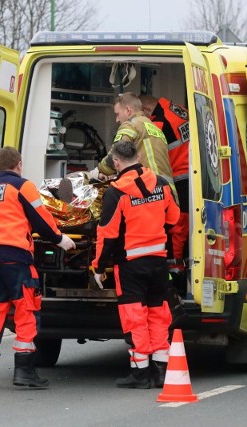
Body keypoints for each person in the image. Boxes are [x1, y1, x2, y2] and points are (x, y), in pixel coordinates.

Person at [0, 146, 76, 390]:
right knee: (27, 309)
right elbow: (41, 218)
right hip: (15, 258)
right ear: (18, 164)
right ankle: (24, 371)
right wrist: (60, 240)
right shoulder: (22, 186)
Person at [91, 140, 180, 389]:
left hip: (130, 265)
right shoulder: (161, 185)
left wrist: (98, 268)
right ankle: (161, 371)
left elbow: (106, 235)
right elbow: (173, 219)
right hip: (158, 263)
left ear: (116, 163)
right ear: (139, 156)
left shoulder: (116, 192)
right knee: (159, 314)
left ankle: (140, 373)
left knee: (135, 318)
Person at [140, 94, 191, 284]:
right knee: (184, 228)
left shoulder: (159, 123)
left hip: (179, 180)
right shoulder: (179, 110)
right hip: (191, 177)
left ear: (146, 110)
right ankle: (179, 267)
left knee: (177, 227)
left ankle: (175, 272)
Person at [91, 92, 174, 187]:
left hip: (150, 189)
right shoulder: (154, 127)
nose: (117, 120)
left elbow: (117, 154)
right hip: (167, 190)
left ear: (128, 110)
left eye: (117, 114)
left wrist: (99, 171)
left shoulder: (131, 125)